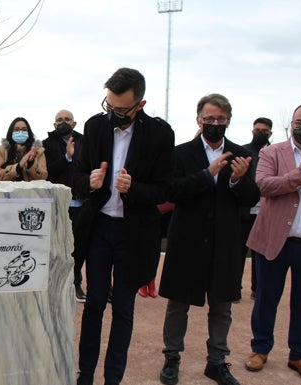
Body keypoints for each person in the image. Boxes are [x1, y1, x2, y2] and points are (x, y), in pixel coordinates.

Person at [73, 67, 175, 385]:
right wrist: (89, 181)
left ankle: (112, 378)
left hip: (135, 233)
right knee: (94, 304)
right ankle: (85, 374)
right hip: (100, 227)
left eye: (121, 110)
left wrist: (135, 189)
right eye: (109, 106)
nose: (114, 114)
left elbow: (165, 188)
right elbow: (75, 175)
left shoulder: (160, 134)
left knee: (124, 310)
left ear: (140, 105)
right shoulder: (94, 126)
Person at [158, 93, 260, 385]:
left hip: (225, 241)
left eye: (220, 119)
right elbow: (172, 191)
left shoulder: (241, 154)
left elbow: (252, 199)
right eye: (209, 119)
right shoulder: (181, 153)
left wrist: (238, 180)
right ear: (199, 120)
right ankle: (172, 358)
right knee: (178, 304)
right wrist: (207, 174)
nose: (215, 124)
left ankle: (216, 362)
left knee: (222, 305)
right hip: (187, 239)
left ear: (228, 120)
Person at [244, 103, 301, 381]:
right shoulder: (272, 152)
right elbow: (265, 185)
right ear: (291, 124)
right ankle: (260, 348)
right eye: (298, 122)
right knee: (267, 297)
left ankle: (299, 354)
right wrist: (299, 176)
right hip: (273, 239)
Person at [43, 109, 86, 301]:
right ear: (54, 124)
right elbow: (48, 172)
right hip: (58, 204)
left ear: (74, 123)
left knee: (79, 246)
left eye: (67, 119)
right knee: (58, 246)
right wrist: (67, 157)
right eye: (59, 120)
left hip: (81, 201)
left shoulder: (85, 141)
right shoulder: (47, 144)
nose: (63, 122)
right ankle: (58, 283)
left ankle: (76, 282)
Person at [240, 117, 272, 301]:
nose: (260, 133)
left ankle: (257, 289)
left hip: (265, 212)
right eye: (257, 129)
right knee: (239, 251)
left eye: (264, 130)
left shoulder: (274, 152)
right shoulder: (244, 151)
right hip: (245, 211)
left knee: (260, 253)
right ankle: (235, 288)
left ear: (270, 133)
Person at [0, 117, 48, 182]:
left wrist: (31, 163)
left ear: (29, 132)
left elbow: (43, 176)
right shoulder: (1, 150)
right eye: (16, 130)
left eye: (24, 130)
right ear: (11, 132)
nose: (20, 132)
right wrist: (18, 167)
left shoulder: (38, 151)